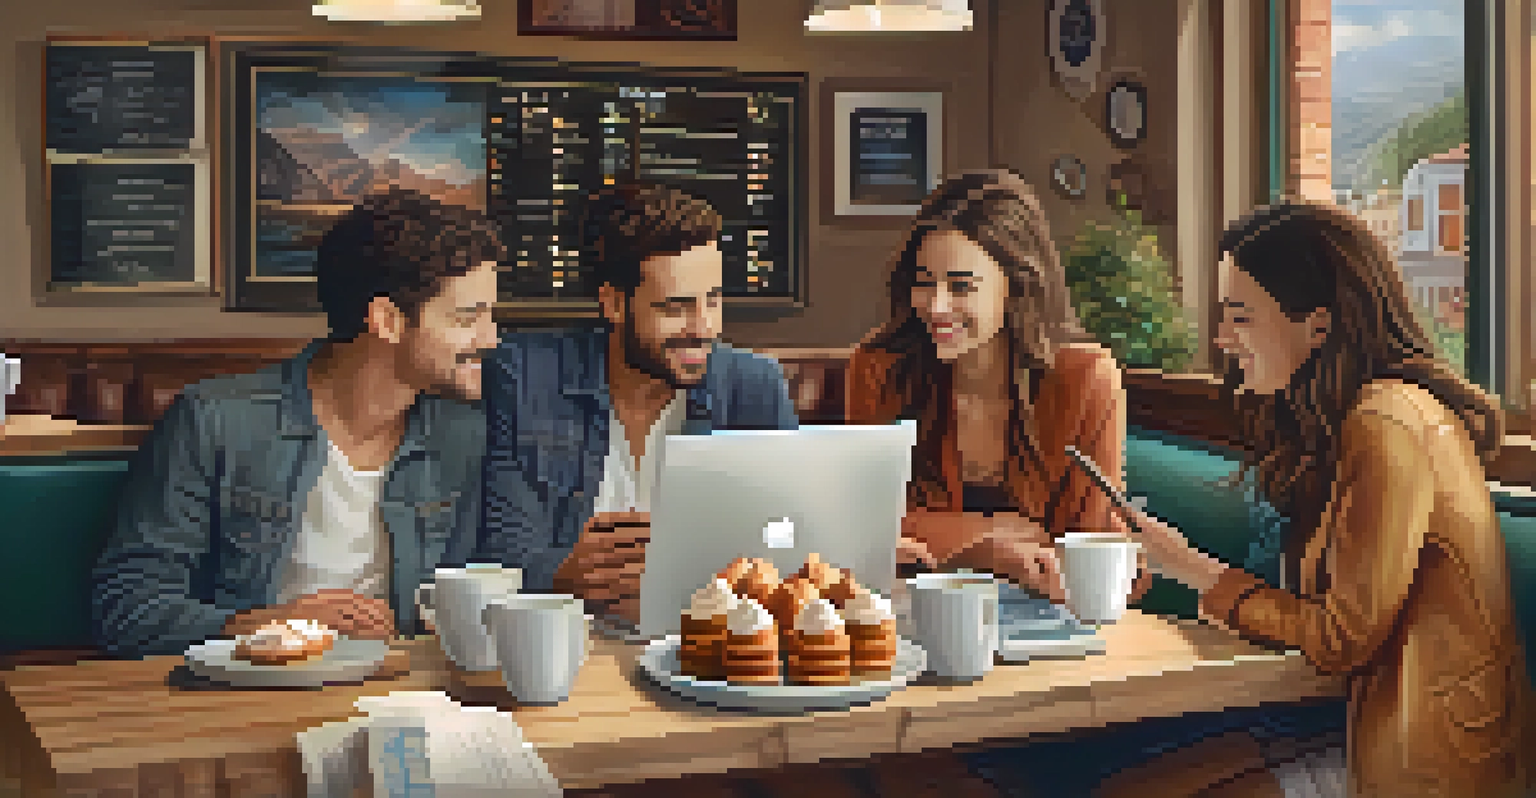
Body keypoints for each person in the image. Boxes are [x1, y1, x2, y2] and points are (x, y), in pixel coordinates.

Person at [1094, 201, 1532, 798]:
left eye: (1241, 318)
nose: (1223, 340)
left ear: (1318, 327)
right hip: (1356, 725)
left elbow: (1339, 637)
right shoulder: (1350, 421)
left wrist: (1193, 570)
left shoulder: (1386, 425)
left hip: (1424, 763)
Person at [92, 188, 500, 657]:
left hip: (399, 694)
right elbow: (126, 611)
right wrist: (270, 624)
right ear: (386, 321)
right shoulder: (215, 422)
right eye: (468, 317)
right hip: (242, 692)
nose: (490, 338)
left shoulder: (462, 434)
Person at [480, 183, 798, 623]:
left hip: (704, 647)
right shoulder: (526, 378)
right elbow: (498, 556)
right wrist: (562, 575)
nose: (703, 327)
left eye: (714, 299)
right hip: (570, 647)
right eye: (676, 307)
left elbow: (786, 539)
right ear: (613, 304)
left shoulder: (754, 387)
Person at [846, 168, 1150, 601]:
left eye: (961, 286)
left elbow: (1092, 540)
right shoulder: (880, 370)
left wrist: (932, 532)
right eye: (924, 282)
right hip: (914, 609)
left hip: (1049, 615)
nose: (937, 306)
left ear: (1016, 284)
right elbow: (862, 528)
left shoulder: (1087, 380)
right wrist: (988, 541)